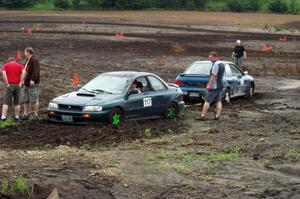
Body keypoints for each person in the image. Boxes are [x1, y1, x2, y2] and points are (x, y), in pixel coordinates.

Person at [197, 51, 225, 121]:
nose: (209, 59)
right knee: (219, 101)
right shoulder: (222, 64)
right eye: (209, 57)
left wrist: (209, 84)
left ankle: (203, 116)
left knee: (207, 101)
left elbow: (213, 76)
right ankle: (217, 116)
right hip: (219, 86)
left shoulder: (216, 65)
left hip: (213, 87)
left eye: (211, 57)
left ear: (215, 57)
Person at [1, 57, 25, 121]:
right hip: (18, 86)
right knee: (17, 103)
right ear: (15, 61)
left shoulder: (6, 65)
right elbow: (24, 72)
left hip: (9, 85)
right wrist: (21, 82)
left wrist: (6, 83)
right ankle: (17, 117)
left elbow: (3, 73)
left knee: (6, 102)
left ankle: (3, 117)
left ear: (9, 61)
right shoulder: (19, 65)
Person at [21, 47, 40, 119]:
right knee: (25, 99)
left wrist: (33, 80)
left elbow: (36, 71)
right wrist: (22, 80)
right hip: (26, 83)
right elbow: (25, 71)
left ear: (28, 52)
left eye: (25, 52)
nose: (24, 53)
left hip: (32, 83)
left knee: (34, 98)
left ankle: (35, 114)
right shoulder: (27, 60)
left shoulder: (34, 60)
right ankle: (25, 114)